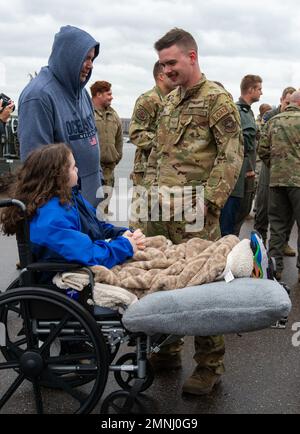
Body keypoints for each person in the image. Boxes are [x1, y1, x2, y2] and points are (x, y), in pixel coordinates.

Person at [144, 28, 243, 396]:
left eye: (172, 62)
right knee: (163, 281)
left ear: (192, 56)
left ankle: (209, 365)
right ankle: (168, 349)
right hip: (162, 212)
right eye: (163, 64)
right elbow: (158, 153)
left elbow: (232, 153)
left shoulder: (216, 100)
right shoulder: (170, 101)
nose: (166, 70)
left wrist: (210, 200)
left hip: (196, 214)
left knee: (203, 288)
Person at [1, 143, 145, 268]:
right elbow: (86, 253)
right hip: (65, 276)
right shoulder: (51, 217)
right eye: (73, 167)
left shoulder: (68, 197)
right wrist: (125, 245)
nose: (77, 170)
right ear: (58, 176)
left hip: (81, 263)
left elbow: (95, 225)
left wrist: (123, 234)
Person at [17, 25, 102, 208]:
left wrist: (98, 180)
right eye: (86, 58)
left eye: (92, 58)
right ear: (69, 56)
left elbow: (91, 140)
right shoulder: (39, 96)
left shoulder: (83, 93)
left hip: (89, 206)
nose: (90, 65)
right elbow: (37, 169)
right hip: (64, 212)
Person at [258, 90, 300, 282]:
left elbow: (262, 150)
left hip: (276, 181)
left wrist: (275, 167)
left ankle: (275, 269)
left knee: (277, 225)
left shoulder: (273, 121)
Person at [129, 61, 176, 229]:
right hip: (146, 171)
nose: (174, 76)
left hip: (166, 171)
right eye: (169, 73)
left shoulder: (174, 100)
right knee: (141, 220)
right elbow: (135, 133)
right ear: (160, 76)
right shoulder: (149, 100)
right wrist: (163, 142)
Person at [233, 75, 263, 236]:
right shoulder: (239, 111)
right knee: (236, 216)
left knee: (243, 212)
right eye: (259, 89)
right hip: (243, 172)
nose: (261, 93)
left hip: (247, 172)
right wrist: (249, 168)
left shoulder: (248, 112)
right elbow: (242, 144)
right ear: (250, 90)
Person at [90, 80, 123, 216]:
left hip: (109, 169)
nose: (111, 97)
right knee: (90, 206)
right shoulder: (87, 113)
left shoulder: (114, 115)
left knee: (104, 207)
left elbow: (119, 141)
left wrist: (115, 158)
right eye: (108, 94)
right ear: (98, 94)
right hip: (91, 169)